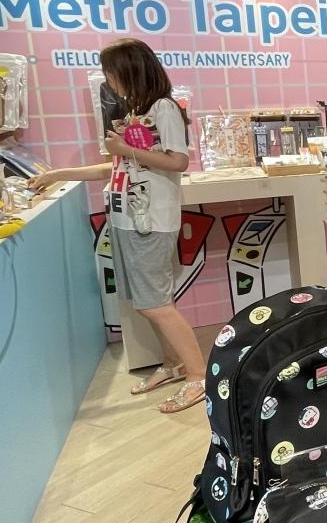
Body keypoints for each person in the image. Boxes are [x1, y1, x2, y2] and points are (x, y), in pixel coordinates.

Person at [30, 39, 204, 413]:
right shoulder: (136, 111)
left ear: (129, 70)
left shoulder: (164, 108)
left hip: (150, 220)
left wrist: (125, 150)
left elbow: (178, 162)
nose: (109, 79)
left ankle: (198, 376)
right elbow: (115, 167)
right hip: (128, 218)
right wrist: (59, 173)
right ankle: (174, 364)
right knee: (148, 303)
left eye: (111, 71)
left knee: (156, 304)